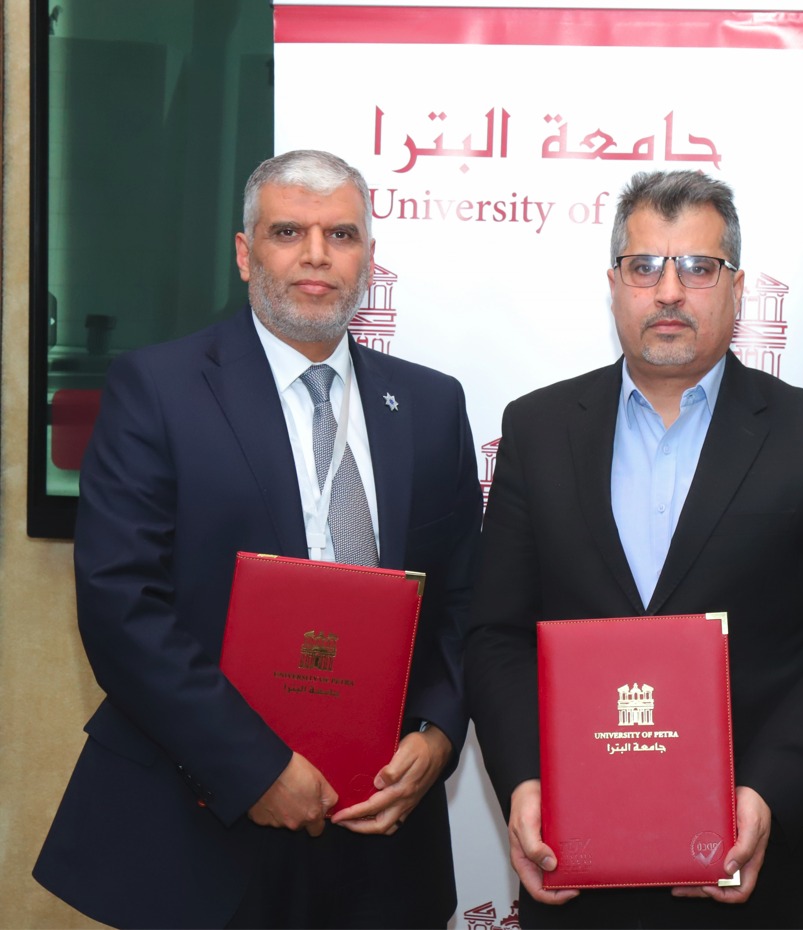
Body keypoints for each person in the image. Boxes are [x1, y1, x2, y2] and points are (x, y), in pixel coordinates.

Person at [34, 150, 483, 929]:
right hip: (204, 826)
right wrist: (254, 768)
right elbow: (121, 606)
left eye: (341, 234)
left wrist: (439, 732)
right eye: (287, 232)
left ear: (368, 257)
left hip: (382, 839)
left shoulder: (431, 405)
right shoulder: (156, 389)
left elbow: (467, 599)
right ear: (246, 254)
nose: (316, 254)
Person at [465, 170, 803, 930]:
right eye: (645, 266)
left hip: (762, 879)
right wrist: (524, 781)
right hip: (576, 873)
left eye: (699, 267)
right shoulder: (538, 429)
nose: (670, 291)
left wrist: (769, 791)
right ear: (614, 284)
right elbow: (496, 633)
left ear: (737, 289)